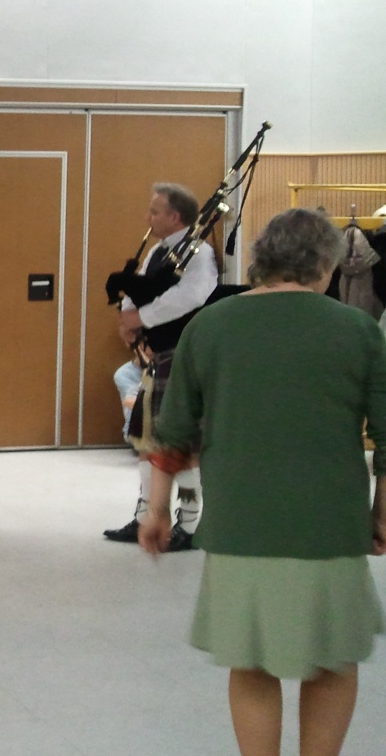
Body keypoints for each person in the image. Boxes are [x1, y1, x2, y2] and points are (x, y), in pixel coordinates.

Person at [140, 208, 386, 756]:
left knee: (251, 665)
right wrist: (381, 514)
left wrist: (155, 512)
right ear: (324, 265)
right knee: (333, 662)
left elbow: (173, 432)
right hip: (331, 526)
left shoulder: (210, 325)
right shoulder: (358, 330)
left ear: (261, 260)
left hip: (240, 526)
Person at [104, 183, 216, 551]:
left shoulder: (199, 254)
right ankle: (143, 516)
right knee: (147, 440)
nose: (147, 218)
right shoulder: (157, 250)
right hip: (156, 357)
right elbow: (137, 288)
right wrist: (128, 322)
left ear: (175, 216)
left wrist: (141, 318)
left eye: (154, 212)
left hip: (184, 357)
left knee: (183, 447)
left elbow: (189, 296)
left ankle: (190, 523)